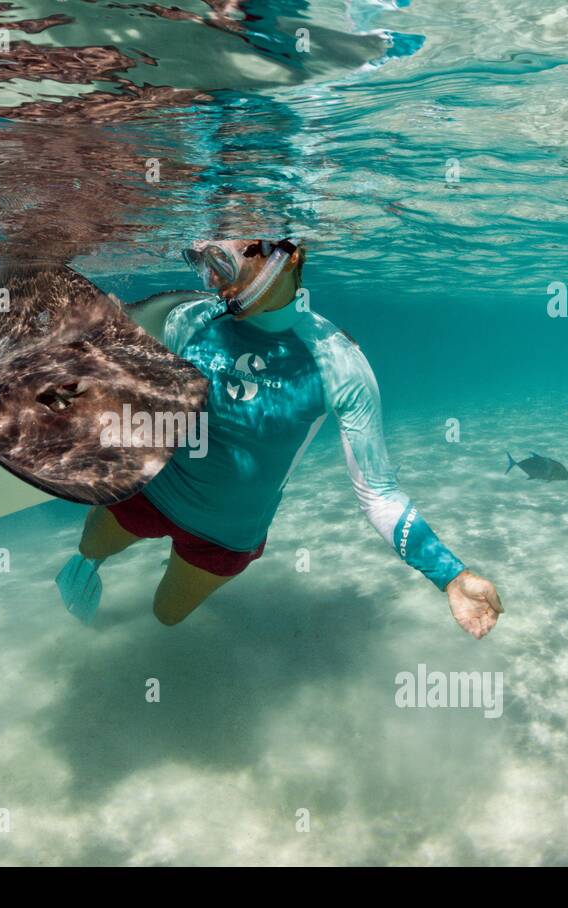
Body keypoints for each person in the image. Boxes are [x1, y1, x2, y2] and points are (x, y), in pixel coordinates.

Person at [56, 238, 502, 638]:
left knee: (165, 615)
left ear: (285, 256)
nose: (214, 282)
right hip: (149, 491)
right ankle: (88, 564)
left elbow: (379, 494)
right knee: (88, 547)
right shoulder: (188, 320)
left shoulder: (338, 364)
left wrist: (451, 575)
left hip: (224, 536)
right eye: (203, 263)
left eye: (223, 262)